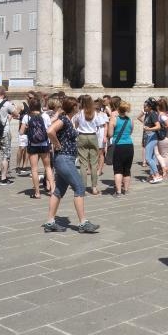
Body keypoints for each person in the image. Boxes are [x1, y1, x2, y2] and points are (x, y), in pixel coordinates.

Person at [41, 96, 99, 233]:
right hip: (65, 159)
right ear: (74, 107)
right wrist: (57, 144)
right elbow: (50, 131)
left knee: (59, 191)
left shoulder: (68, 120)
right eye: (77, 106)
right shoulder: (64, 120)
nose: (79, 107)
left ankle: (50, 222)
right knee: (79, 187)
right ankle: (83, 223)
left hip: (66, 159)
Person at [20, 97, 54, 198]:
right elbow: (49, 131)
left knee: (34, 169)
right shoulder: (45, 116)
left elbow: (21, 132)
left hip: (33, 145)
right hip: (44, 144)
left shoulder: (27, 117)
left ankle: (37, 193)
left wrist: (27, 129)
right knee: (48, 167)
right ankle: (52, 189)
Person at [74, 94, 104, 195]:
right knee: (94, 164)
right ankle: (94, 187)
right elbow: (99, 124)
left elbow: (76, 124)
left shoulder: (79, 113)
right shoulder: (95, 113)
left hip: (82, 136)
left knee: (83, 164)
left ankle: (83, 188)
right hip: (92, 136)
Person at [107, 100, 134, 197]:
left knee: (118, 169)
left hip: (118, 146)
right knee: (127, 169)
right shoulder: (130, 120)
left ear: (118, 109)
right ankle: (126, 190)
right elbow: (130, 132)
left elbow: (110, 134)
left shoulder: (114, 119)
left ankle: (118, 192)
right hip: (129, 145)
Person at [137, 98, 162, 183]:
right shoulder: (148, 114)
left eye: (145, 105)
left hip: (152, 137)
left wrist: (149, 129)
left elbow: (158, 126)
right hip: (148, 137)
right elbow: (142, 120)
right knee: (151, 157)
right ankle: (152, 175)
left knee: (148, 158)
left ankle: (157, 175)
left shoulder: (153, 114)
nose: (144, 107)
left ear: (150, 106)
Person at [155, 98, 168, 180]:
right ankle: (163, 170)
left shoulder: (162, 115)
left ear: (159, 106)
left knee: (164, 154)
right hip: (163, 136)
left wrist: (160, 127)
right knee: (162, 154)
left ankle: (165, 172)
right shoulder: (161, 114)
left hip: (164, 136)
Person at [94, 98, 109, 179]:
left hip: (101, 132)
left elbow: (106, 126)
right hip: (92, 132)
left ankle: (99, 169)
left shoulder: (103, 114)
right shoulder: (91, 114)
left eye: (97, 104)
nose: (96, 106)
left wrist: (104, 136)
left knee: (100, 153)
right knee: (93, 152)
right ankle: (91, 169)